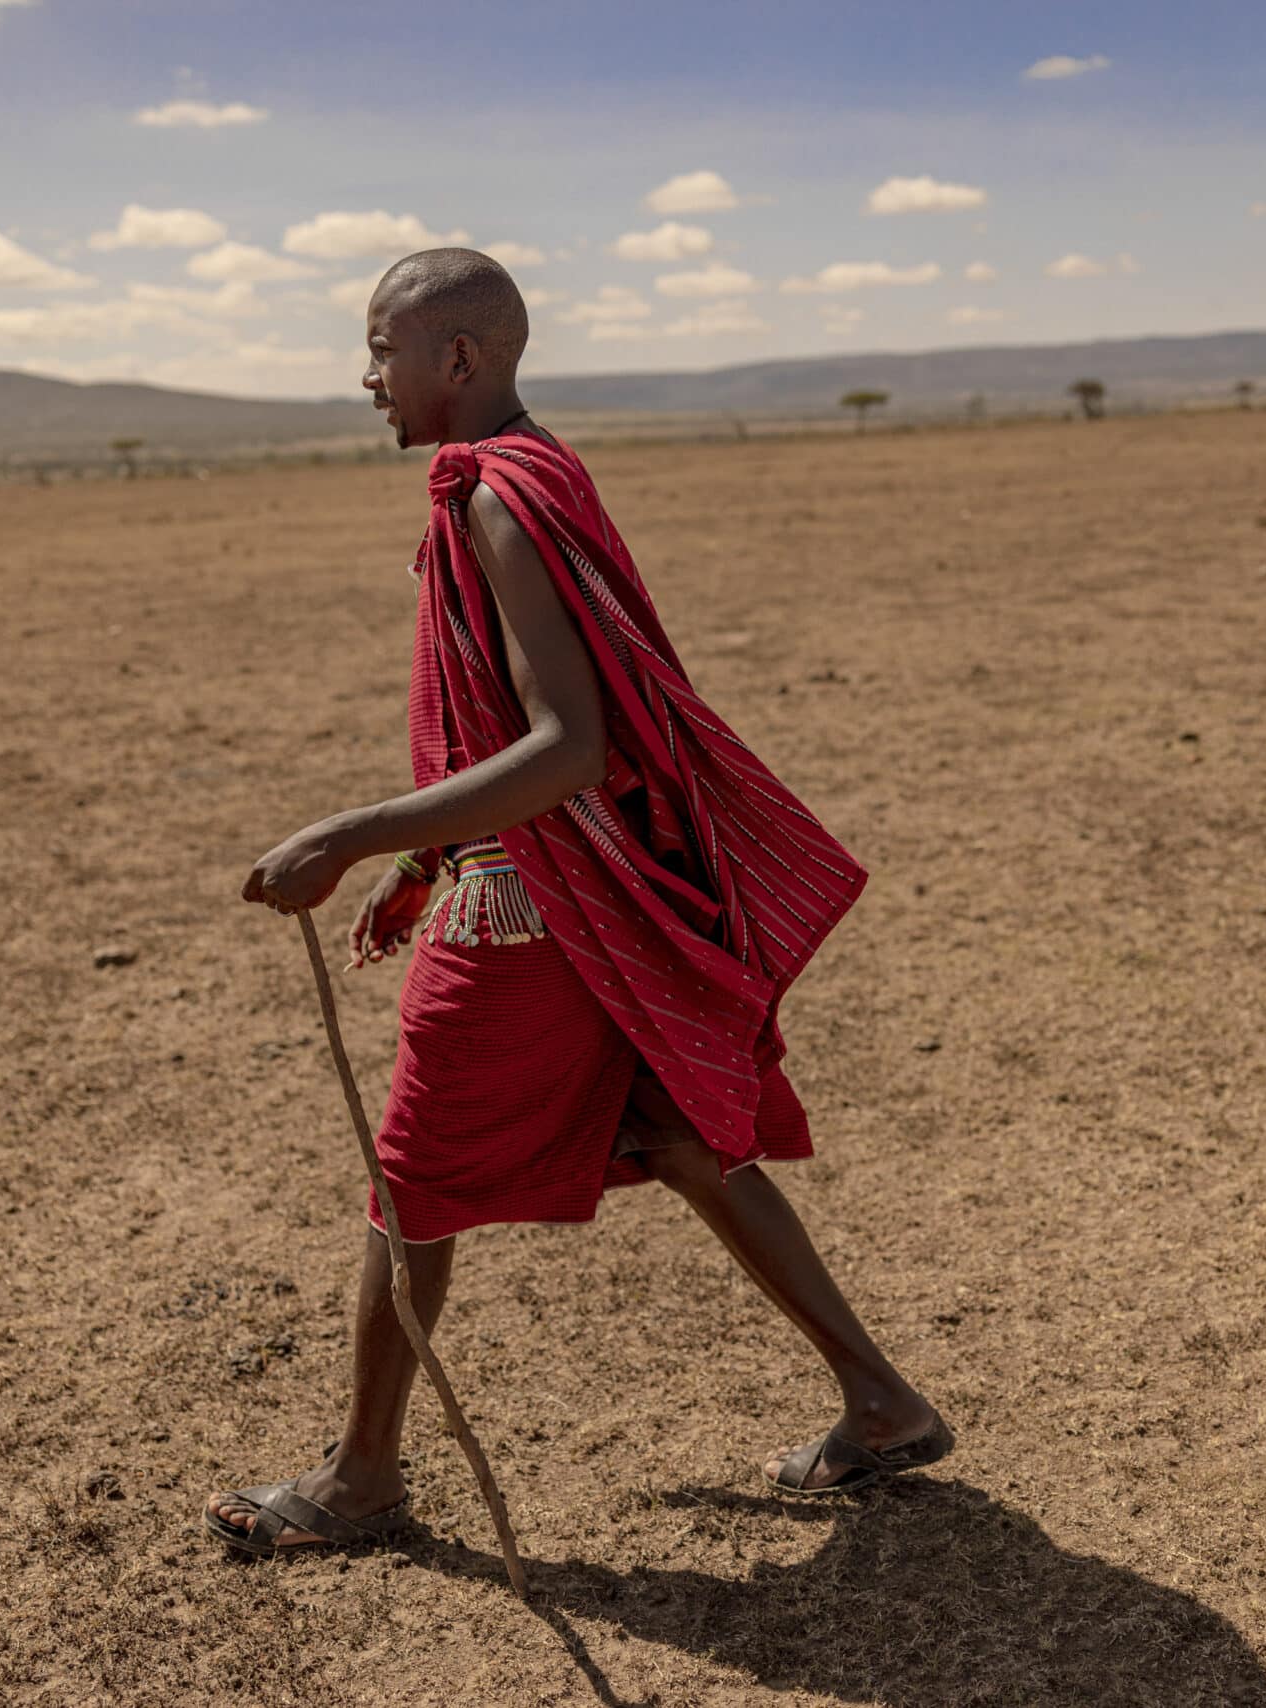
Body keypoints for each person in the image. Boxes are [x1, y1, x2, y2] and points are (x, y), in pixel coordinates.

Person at [208, 248, 949, 1557]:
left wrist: (352, 830)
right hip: (566, 886)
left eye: (382, 351)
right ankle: (881, 1402)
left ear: (460, 359)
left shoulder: (501, 497)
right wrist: (425, 858)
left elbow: (572, 747)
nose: (365, 376)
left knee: (413, 1179)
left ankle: (362, 1478)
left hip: (543, 905)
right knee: (674, 1135)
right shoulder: (526, 474)